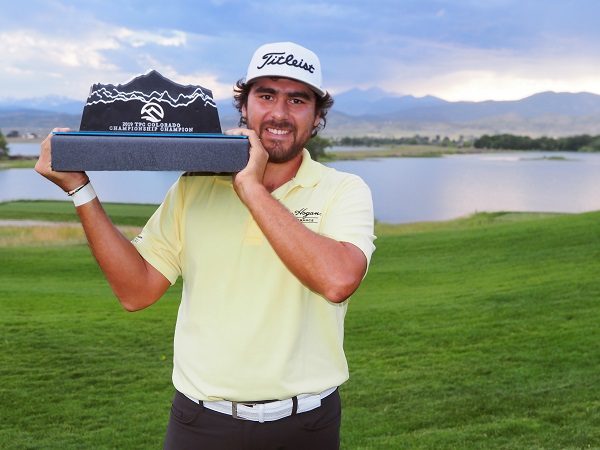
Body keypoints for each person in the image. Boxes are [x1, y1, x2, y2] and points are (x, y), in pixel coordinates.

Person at [35, 41, 376, 450]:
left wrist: (250, 186)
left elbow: (338, 280)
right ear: (244, 107)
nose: (280, 113)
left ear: (317, 115)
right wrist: (80, 189)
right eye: (266, 96)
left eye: (297, 100)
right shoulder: (195, 185)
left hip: (305, 425)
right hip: (201, 423)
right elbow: (136, 291)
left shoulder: (344, 190)